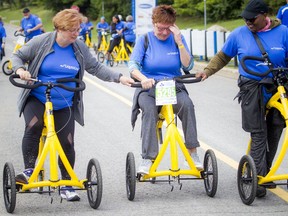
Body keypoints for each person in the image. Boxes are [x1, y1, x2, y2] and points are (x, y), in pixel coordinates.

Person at [12, 9, 134, 201]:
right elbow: (18, 55)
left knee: (67, 142)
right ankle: (29, 170)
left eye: (78, 29)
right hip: (38, 96)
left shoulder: (78, 47)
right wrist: (20, 70)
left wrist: (119, 77)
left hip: (65, 102)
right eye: (73, 30)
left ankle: (67, 182)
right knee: (34, 126)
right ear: (60, 28)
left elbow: (95, 67)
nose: (77, 33)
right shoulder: (42, 41)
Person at [196, 0, 288, 198]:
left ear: (265, 15)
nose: (248, 21)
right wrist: (207, 72)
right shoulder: (239, 34)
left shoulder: (284, 32)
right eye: (245, 18)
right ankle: (255, 176)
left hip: (277, 84)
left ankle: (264, 170)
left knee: (276, 125)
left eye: (252, 18)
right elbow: (222, 57)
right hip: (252, 85)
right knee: (258, 132)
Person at [128, 5, 202, 175]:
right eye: (160, 28)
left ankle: (192, 154)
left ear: (173, 26)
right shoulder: (144, 39)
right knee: (149, 111)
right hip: (149, 88)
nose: (163, 33)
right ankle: (147, 158)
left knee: (188, 106)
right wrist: (143, 79)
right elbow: (132, 66)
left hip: (173, 85)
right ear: (153, 24)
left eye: (167, 29)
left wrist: (179, 42)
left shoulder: (177, 39)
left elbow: (187, 65)